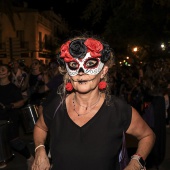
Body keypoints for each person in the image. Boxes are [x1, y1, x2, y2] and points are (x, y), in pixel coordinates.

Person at [32, 35, 155, 170]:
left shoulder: (119, 110)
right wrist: (39, 149)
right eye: (74, 65)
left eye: (90, 63)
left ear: (103, 71)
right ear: (68, 73)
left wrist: (136, 161)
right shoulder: (57, 106)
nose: (81, 72)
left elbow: (148, 135)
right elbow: (40, 127)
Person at [0, 64, 34, 169]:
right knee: (1, 140)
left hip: (11, 117)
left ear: (8, 73)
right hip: (0, 117)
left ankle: (29, 157)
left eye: (3, 70)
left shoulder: (13, 88)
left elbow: (21, 102)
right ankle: (2, 159)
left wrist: (10, 106)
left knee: (14, 141)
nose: (0, 72)